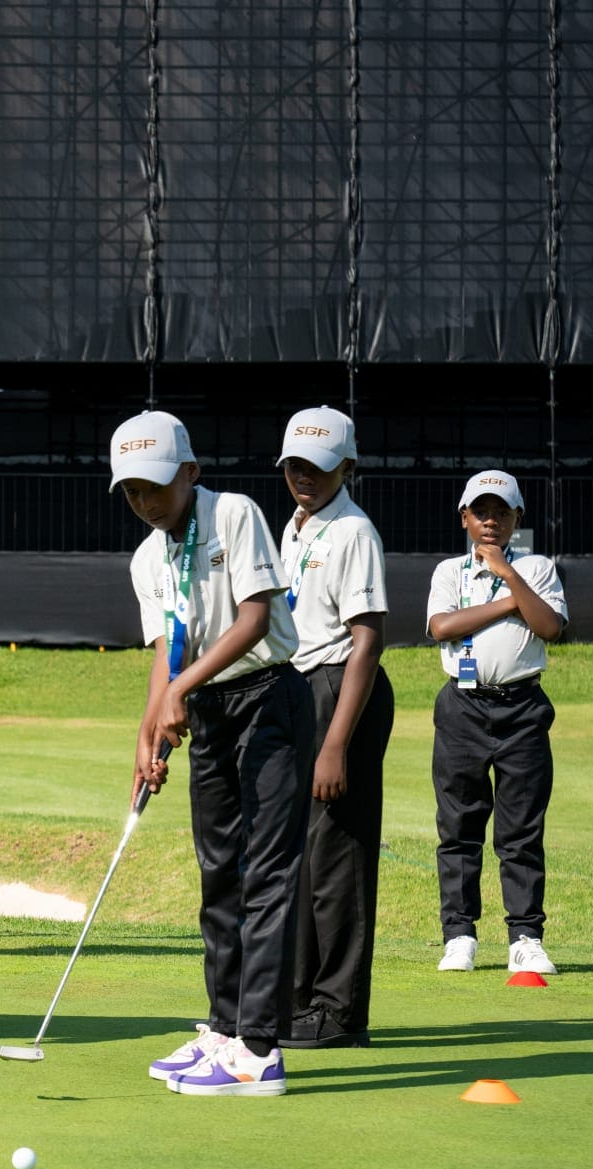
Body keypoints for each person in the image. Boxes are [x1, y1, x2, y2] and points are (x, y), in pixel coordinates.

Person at [111, 410, 312, 1098]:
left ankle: (260, 1050)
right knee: (218, 871)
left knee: (267, 874)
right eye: (133, 491)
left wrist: (183, 692)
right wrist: (148, 729)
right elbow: (167, 652)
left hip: (268, 700)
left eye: (155, 487)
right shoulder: (148, 557)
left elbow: (256, 617)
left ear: (190, 473)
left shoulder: (235, 516)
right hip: (212, 716)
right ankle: (225, 1030)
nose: (145, 502)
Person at [271, 407, 394, 1052]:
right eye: (294, 464)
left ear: (347, 466)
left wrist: (336, 743)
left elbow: (368, 638)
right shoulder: (296, 526)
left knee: (337, 860)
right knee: (301, 856)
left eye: (317, 467)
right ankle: (296, 1001)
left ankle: (338, 1011)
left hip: (344, 690)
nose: (303, 477)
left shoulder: (353, 531)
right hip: (302, 689)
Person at [425, 471, 567, 976]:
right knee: (459, 826)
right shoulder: (448, 571)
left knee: (521, 830)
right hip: (463, 707)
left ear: (517, 519)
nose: (490, 521)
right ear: (464, 517)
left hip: (522, 709)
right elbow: (442, 627)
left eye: (501, 512)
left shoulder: (536, 568)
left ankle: (525, 935)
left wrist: (509, 576)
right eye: (480, 511)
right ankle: (459, 934)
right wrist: (510, 603)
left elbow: (549, 626)